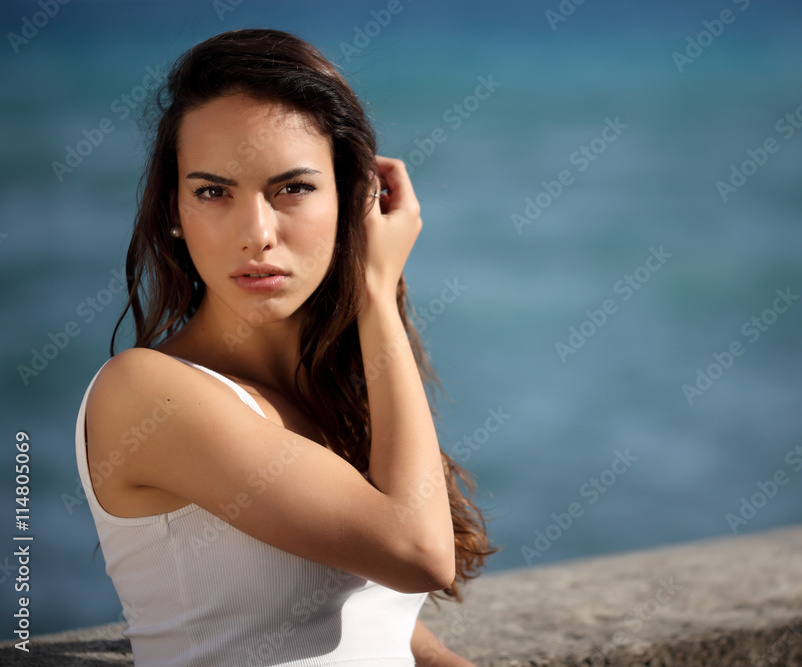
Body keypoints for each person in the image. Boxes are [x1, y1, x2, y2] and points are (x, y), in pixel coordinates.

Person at [74, 28, 494, 666]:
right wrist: (374, 292)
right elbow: (419, 554)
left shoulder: (326, 392)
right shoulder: (145, 393)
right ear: (174, 213)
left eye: (292, 188)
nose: (256, 234)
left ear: (355, 200)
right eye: (213, 192)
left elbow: (371, 625)